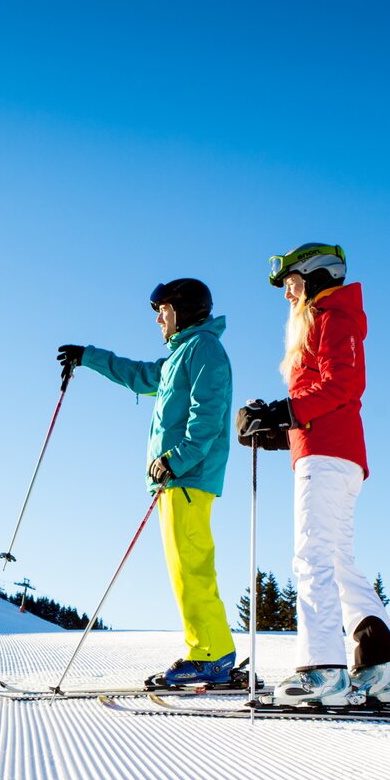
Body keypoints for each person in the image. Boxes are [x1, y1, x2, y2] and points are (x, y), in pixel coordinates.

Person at [236, 242, 390, 706]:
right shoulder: (327, 320)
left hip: (329, 456)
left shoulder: (334, 317)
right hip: (330, 451)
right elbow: (322, 397)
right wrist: (279, 426)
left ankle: (323, 673)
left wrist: (286, 410)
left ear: (314, 278)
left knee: (311, 559)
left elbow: (343, 383)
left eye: (291, 285)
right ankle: (381, 669)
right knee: (337, 561)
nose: (287, 296)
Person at [58, 278, 236, 687]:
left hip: (187, 477)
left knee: (190, 568)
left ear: (185, 310)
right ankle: (214, 650)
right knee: (185, 568)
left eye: (164, 310)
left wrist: (176, 459)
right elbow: (139, 375)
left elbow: (207, 415)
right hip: (176, 480)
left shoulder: (204, 350)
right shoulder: (180, 356)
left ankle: (210, 655)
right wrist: (88, 357)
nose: (158, 318)